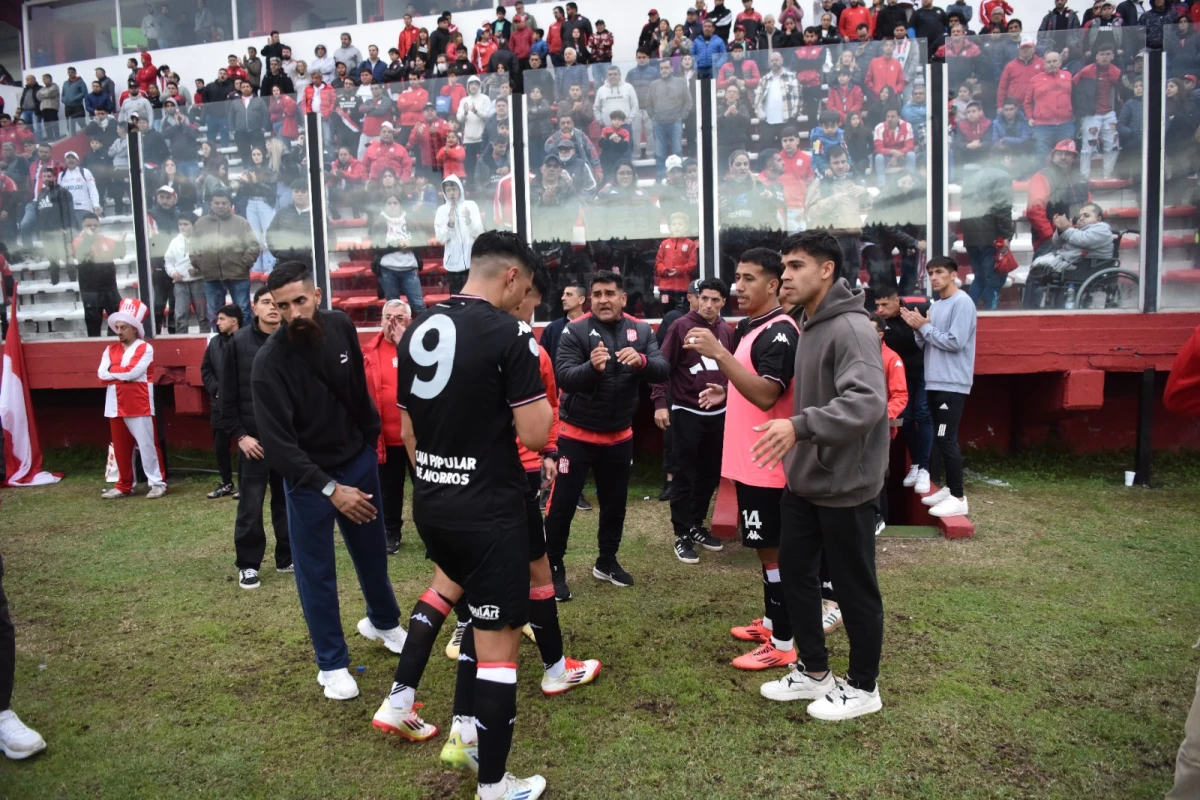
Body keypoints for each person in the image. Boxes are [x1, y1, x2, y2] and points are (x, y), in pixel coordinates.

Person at [377, 231, 554, 800]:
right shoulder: (511, 334)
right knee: (499, 649)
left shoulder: (419, 326)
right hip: (491, 510)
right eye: (524, 287)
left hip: (432, 503)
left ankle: (468, 735)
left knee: (470, 619)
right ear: (510, 277)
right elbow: (535, 432)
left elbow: (406, 430)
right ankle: (497, 787)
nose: (522, 297)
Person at [250, 262, 405, 699]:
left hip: (356, 460)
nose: (294, 313)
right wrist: (330, 489)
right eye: (282, 306)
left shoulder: (339, 327)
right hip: (308, 481)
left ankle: (383, 622)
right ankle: (331, 664)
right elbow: (279, 448)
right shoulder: (268, 364)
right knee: (316, 573)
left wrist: (367, 445)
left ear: (317, 294)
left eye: (300, 301)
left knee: (373, 552)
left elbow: (358, 389)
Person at [750, 231, 887, 720]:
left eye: (795, 265)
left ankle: (864, 687)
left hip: (846, 485)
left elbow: (868, 402)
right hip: (805, 482)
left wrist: (800, 425)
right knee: (796, 578)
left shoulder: (850, 328)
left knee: (853, 589)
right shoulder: (809, 322)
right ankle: (813, 671)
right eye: (784, 266)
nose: (784, 275)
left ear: (827, 269)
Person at [544, 271, 670, 599]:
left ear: (622, 298)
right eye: (597, 294)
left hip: (619, 435)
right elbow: (565, 378)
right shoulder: (575, 330)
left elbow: (663, 368)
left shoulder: (641, 330)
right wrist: (592, 368)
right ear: (589, 299)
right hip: (577, 434)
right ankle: (553, 566)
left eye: (610, 293)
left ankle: (607, 561)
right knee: (562, 505)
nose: (603, 299)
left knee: (615, 505)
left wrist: (641, 361)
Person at [650, 278, 733, 565]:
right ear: (695, 298)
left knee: (709, 474)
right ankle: (681, 533)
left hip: (718, 415)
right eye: (705, 298)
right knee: (682, 475)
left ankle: (696, 523)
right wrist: (660, 403)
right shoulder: (681, 326)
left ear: (723, 302)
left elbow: (731, 369)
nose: (709, 304)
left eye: (716, 300)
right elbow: (662, 367)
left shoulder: (725, 330)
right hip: (687, 411)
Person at [217, 287, 292, 590]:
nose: (273, 308)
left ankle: (287, 557)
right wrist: (240, 436)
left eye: (277, 304)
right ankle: (248, 564)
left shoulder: (292, 339)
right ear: (255, 308)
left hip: (287, 439)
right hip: (253, 441)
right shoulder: (237, 343)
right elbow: (228, 395)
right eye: (266, 303)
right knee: (251, 503)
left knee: (287, 502)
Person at [900, 256, 976, 518]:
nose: (934, 277)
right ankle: (949, 488)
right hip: (934, 381)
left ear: (953, 274)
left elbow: (955, 342)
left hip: (952, 383)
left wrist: (926, 328)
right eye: (930, 272)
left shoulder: (962, 302)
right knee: (940, 439)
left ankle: (958, 496)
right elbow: (928, 343)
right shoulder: (938, 304)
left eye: (940, 272)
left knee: (946, 438)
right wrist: (917, 330)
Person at [98, 298, 168, 500]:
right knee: (121, 448)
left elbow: (131, 373)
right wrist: (120, 373)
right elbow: (102, 375)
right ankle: (124, 484)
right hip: (114, 405)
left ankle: (157, 483)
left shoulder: (145, 348)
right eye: (117, 327)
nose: (119, 331)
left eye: (123, 327)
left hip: (140, 404)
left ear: (135, 329)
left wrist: (114, 371)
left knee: (147, 446)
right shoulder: (109, 350)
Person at [362, 299, 412, 555]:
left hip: (418, 437)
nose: (392, 322)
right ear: (380, 321)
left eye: (399, 318)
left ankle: (434, 532)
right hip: (385, 438)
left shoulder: (420, 347)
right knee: (389, 491)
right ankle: (391, 532)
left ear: (409, 321)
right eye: (387, 317)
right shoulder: (368, 352)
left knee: (427, 487)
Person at [875, 285, 933, 494]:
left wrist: (925, 324)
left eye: (884, 304)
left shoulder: (920, 309)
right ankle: (918, 463)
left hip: (928, 368)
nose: (880, 309)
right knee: (906, 416)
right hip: (902, 372)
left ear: (897, 301)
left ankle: (924, 468)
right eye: (877, 305)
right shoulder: (878, 323)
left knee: (924, 414)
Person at [190, 190, 258, 326]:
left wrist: (243, 264)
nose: (220, 206)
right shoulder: (200, 224)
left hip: (238, 275)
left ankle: (246, 341)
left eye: (224, 203)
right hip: (211, 277)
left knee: (243, 310)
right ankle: (218, 342)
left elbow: (253, 246)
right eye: (217, 203)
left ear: (229, 205)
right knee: (215, 312)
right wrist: (201, 265)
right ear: (211, 204)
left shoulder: (241, 223)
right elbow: (193, 248)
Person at [202, 303, 241, 500]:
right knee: (220, 446)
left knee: (245, 446)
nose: (217, 322)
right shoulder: (214, 343)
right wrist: (216, 389)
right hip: (219, 405)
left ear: (234, 321)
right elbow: (206, 370)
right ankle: (226, 483)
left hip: (243, 404)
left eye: (221, 319)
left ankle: (246, 484)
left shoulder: (246, 340)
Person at [74, 213, 126, 338]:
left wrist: (120, 242)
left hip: (109, 288)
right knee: (93, 323)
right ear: (83, 226)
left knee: (117, 318)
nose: (92, 228)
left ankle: (112, 344)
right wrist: (89, 239)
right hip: (90, 290)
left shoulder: (105, 240)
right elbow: (80, 254)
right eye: (88, 225)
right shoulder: (79, 241)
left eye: (95, 225)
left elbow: (120, 254)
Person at [1028, 202, 1114, 276]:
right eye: (1080, 216)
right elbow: (1057, 244)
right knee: (1038, 264)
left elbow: (1083, 239)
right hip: (1072, 260)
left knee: (1039, 264)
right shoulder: (1077, 230)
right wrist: (1060, 229)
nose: (1081, 218)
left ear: (1098, 219)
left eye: (1086, 216)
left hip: (1084, 265)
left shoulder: (1102, 229)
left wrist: (1067, 229)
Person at [436, 175, 485, 294]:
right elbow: (441, 238)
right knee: (457, 299)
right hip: (452, 265)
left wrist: (468, 220)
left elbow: (479, 233)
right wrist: (450, 223)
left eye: (454, 189)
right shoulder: (442, 210)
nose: (452, 193)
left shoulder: (471, 205)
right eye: (448, 190)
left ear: (460, 190)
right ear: (444, 192)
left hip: (472, 263)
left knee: (473, 298)